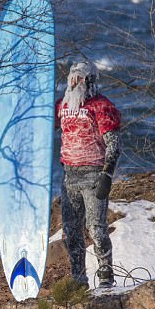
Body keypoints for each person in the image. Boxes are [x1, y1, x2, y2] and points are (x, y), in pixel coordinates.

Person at [56, 60, 121, 289]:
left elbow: (113, 143)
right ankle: (78, 279)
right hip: (69, 176)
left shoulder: (101, 106)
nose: (75, 82)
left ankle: (106, 277)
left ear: (90, 80)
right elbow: (41, 126)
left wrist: (107, 175)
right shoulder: (62, 106)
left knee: (96, 229)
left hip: (93, 175)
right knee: (72, 231)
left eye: (80, 78)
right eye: (72, 77)